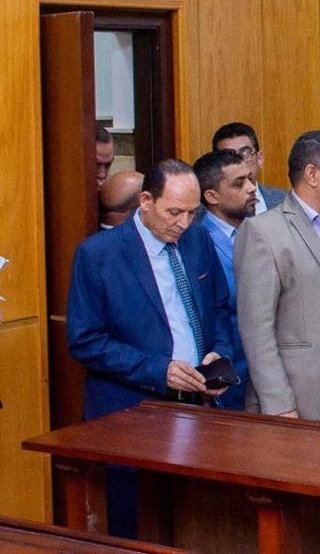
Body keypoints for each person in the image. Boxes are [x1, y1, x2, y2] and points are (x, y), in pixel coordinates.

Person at [67, 158, 234, 537]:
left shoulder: (198, 240)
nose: (184, 223)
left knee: (194, 521)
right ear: (146, 201)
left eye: (192, 212)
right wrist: (159, 370)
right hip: (130, 413)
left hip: (198, 406)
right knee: (133, 525)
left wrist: (218, 353)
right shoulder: (99, 255)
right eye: (174, 212)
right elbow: (85, 340)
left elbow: (220, 308)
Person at [235, 131, 320, 424]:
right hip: (307, 401)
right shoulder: (264, 233)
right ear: (312, 174)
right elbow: (257, 331)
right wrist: (279, 404)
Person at [194, 149, 259, 410]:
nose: (251, 188)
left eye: (250, 179)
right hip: (229, 378)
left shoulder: (258, 233)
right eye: (239, 183)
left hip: (264, 374)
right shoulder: (199, 244)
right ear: (211, 196)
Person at [212, 122, 287, 215]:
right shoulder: (202, 214)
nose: (239, 162)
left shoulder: (285, 201)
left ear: (259, 159)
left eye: (245, 153)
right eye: (229, 156)